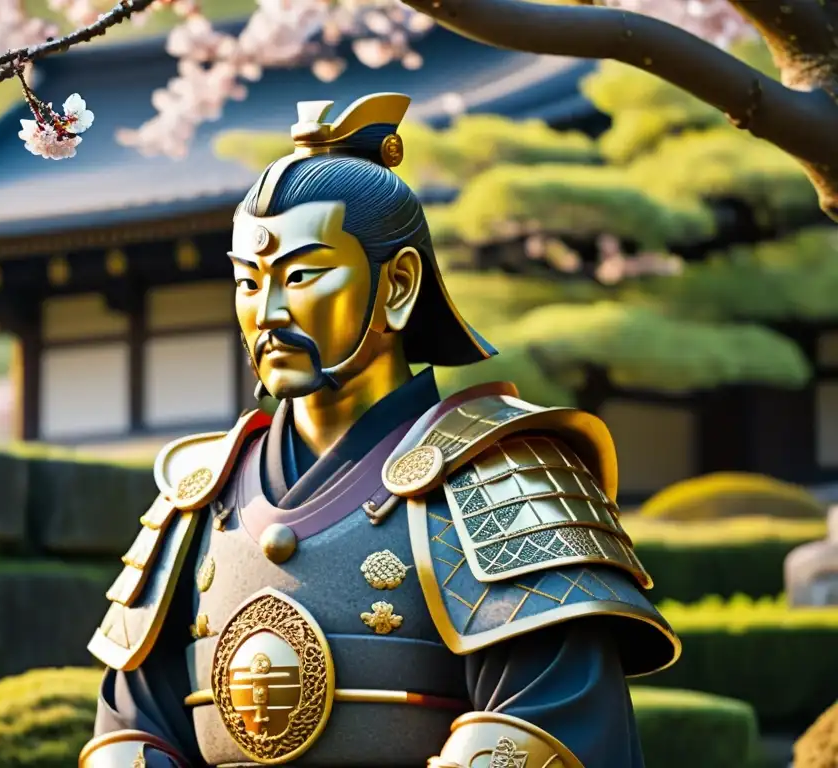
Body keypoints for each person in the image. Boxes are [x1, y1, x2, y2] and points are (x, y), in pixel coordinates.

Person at [78, 92, 681, 768]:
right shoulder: (199, 497)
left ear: (397, 285)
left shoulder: (504, 475)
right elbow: (131, 731)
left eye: (301, 275)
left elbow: (544, 733)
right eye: (249, 282)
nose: (269, 312)